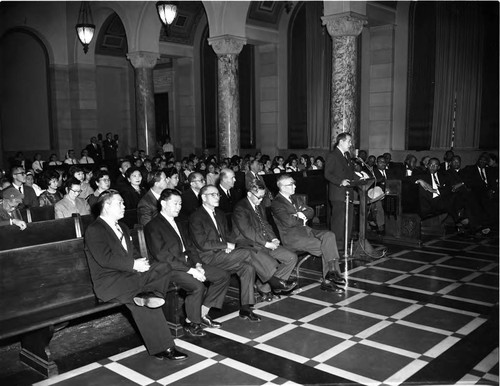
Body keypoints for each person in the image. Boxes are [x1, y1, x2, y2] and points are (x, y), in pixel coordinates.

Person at [84, 190, 188, 361]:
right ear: (107, 205)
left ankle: (152, 295)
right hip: (110, 283)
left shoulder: (123, 227)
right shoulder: (95, 229)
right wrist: (134, 265)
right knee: (145, 301)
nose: (124, 206)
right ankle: (166, 347)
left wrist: (140, 262)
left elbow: (130, 253)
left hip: (130, 278)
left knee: (163, 267)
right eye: (120, 203)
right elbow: (105, 259)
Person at [145, 189, 230, 335]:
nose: (179, 207)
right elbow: (163, 257)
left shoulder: (179, 223)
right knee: (197, 286)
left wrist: (197, 264)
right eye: (175, 203)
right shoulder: (153, 226)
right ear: (163, 203)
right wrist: (191, 271)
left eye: (180, 204)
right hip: (169, 269)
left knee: (222, 276)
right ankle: (192, 323)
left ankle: (201, 313)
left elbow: (190, 247)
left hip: (189, 264)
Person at [189, 185, 260, 321]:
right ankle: (273, 280)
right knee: (247, 253)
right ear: (203, 197)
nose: (217, 197)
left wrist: (228, 245)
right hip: (208, 257)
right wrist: (226, 245)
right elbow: (202, 244)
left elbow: (228, 235)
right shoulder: (196, 217)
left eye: (218, 195)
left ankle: (245, 308)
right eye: (213, 195)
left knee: (248, 268)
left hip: (223, 255)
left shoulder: (220, 214)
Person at [271, 174, 345, 293]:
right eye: (291, 184)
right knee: (326, 247)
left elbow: (311, 211)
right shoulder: (277, 203)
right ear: (282, 187)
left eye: (294, 183)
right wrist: (301, 215)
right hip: (293, 237)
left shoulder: (296, 198)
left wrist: (300, 214)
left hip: (306, 231)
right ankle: (329, 279)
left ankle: (331, 273)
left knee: (329, 236)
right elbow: (288, 222)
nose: (294, 186)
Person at [232, 180, 298, 301]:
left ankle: (264, 286)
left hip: (265, 242)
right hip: (249, 245)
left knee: (291, 257)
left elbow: (266, 224)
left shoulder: (259, 205)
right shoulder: (240, 208)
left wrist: (273, 238)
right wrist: (267, 243)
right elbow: (248, 231)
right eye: (259, 197)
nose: (261, 200)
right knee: (271, 264)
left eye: (263, 197)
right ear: (249, 194)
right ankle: (272, 286)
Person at [324, 132, 355, 251]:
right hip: (338, 193)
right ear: (341, 142)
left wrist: (359, 177)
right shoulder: (333, 155)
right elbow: (327, 174)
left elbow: (349, 173)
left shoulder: (346, 155)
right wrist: (340, 181)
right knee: (339, 221)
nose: (351, 144)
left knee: (348, 220)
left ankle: (345, 244)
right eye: (349, 141)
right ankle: (336, 246)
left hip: (348, 193)